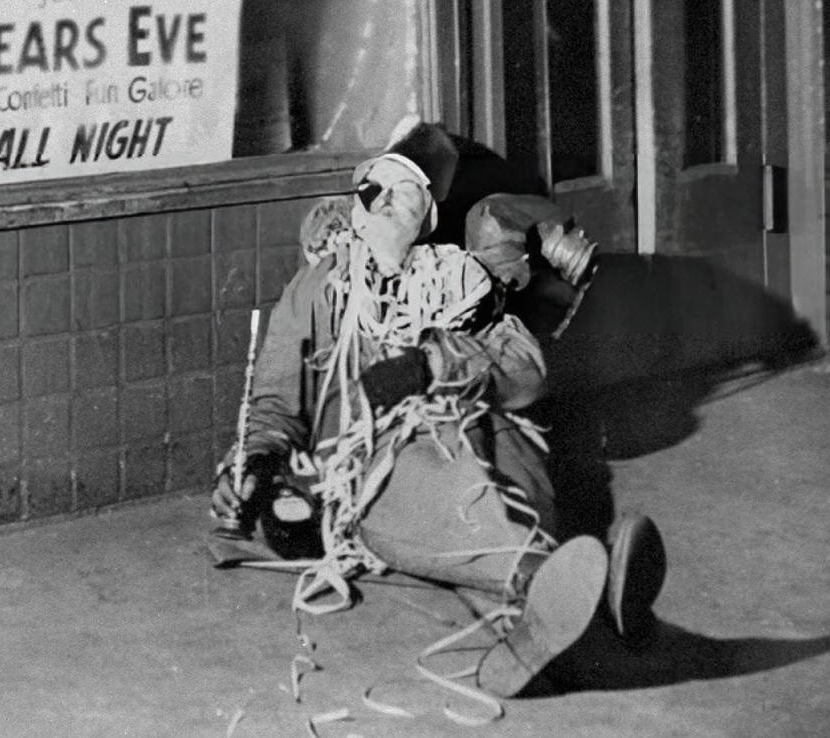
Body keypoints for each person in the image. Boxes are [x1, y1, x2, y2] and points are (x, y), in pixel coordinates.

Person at [209, 119, 666, 699]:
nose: (378, 203)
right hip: (385, 464)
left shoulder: (456, 281)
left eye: (401, 195)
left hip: (485, 428)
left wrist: (434, 362)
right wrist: (254, 460)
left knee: (499, 474)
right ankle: (579, 602)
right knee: (443, 500)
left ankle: (545, 616)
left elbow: (525, 370)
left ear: (424, 219)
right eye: (373, 187)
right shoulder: (317, 289)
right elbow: (274, 402)